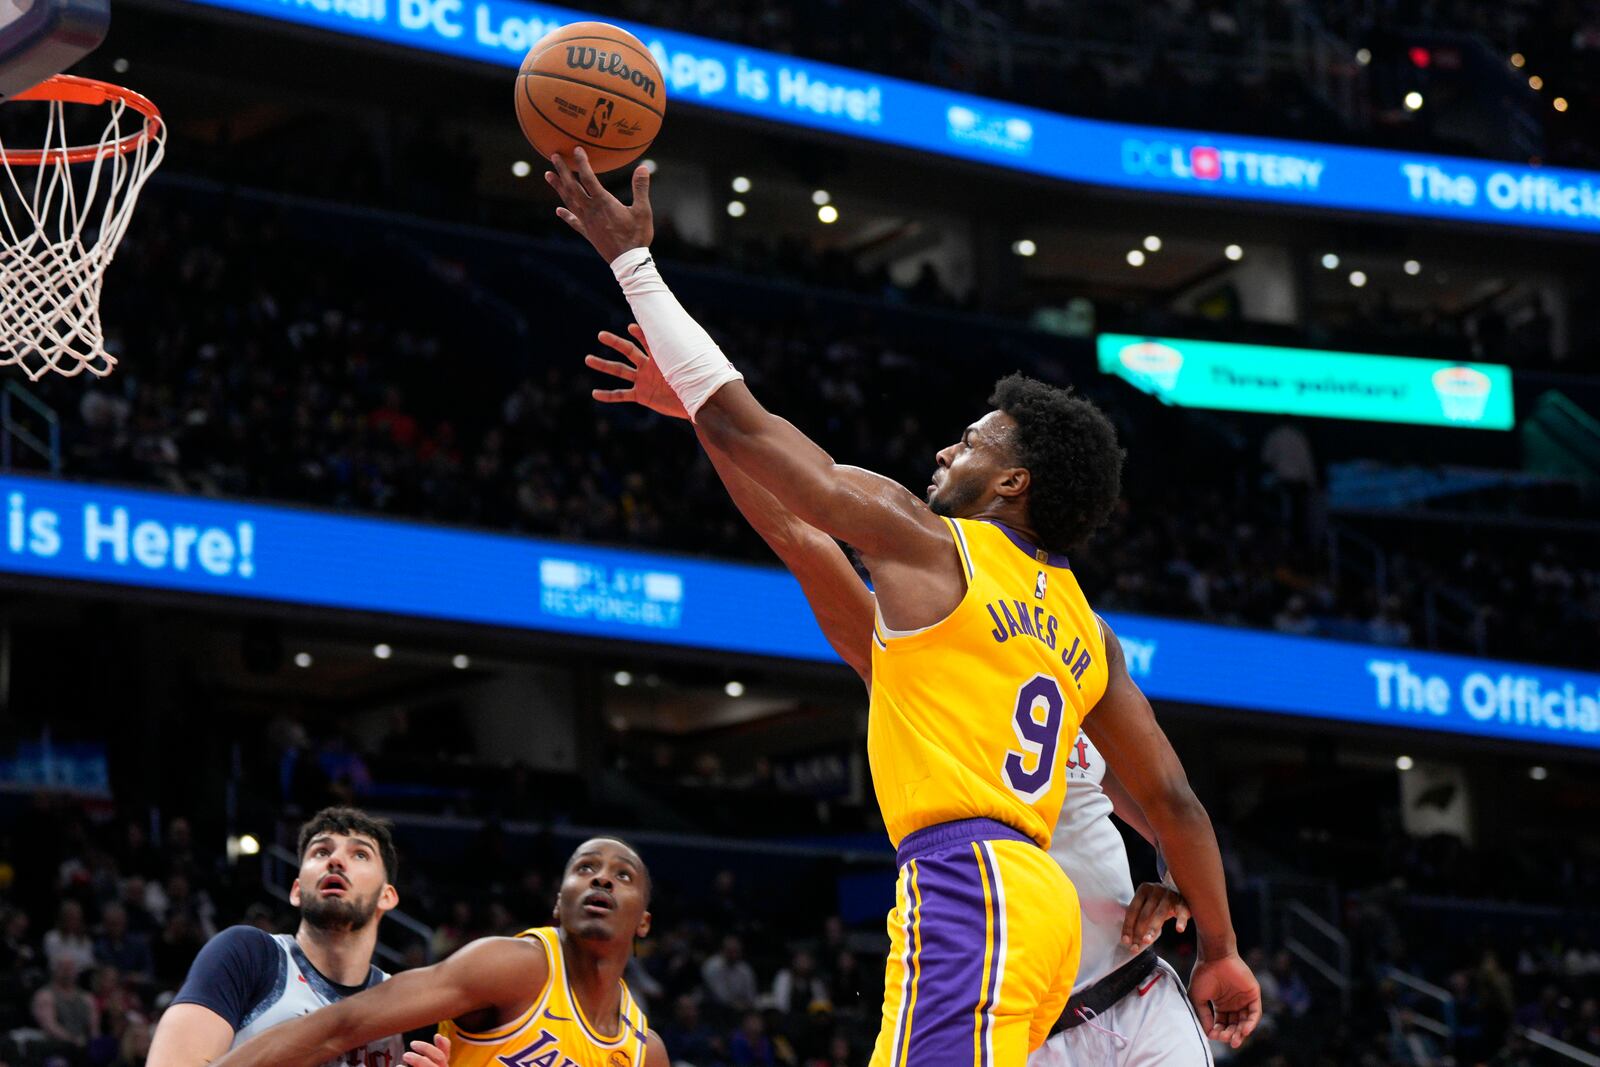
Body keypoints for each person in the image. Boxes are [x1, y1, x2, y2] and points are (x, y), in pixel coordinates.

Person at [578, 316, 1260, 1067]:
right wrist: (712, 424)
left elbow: (1172, 814)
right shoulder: (924, 652)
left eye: (968, 442)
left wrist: (1175, 887)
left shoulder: (1067, 664)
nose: (945, 451)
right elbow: (803, 536)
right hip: (1027, 1005)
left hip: (1113, 979)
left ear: (1014, 482)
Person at [206, 837, 669, 1067]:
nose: (601, 879)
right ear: (558, 903)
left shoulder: (644, 1050)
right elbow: (342, 1025)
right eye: (585, 868)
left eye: (622, 875)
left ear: (643, 921)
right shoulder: (516, 967)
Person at [147, 806, 447, 1067]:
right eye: (321, 851)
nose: (336, 861)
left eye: (359, 854)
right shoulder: (249, 953)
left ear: (387, 896)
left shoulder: (403, 1003)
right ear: (296, 891)